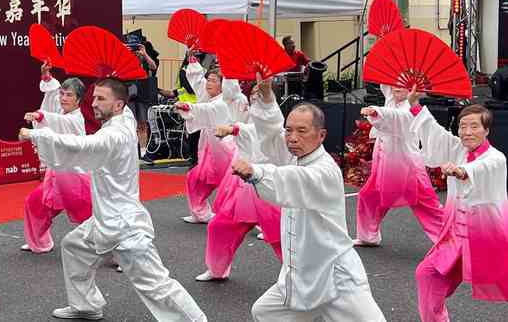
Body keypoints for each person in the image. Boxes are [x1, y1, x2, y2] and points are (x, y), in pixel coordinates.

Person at [18, 78, 206, 321]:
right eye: (94, 97)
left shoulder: (114, 134)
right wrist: (110, 75)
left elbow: (83, 145)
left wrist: (37, 136)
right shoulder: (124, 117)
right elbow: (114, 107)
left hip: (124, 226)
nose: (94, 103)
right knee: (74, 246)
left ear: (118, 105)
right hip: (105, 220)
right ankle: (85, 305)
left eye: (101, 99)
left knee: (156, 285)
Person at [231, 74, 385, 322]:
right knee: (265, 312)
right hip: (301, 278)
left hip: (336, 278)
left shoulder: (325, 170)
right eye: (289, 130)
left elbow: (294, 180)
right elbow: (272, 137)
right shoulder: (295, 155)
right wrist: (269, 97)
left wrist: (256, 172)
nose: (292, 137)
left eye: (302, 131)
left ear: (321, 135)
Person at [367, 90, 508, 322]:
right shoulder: (457, 148)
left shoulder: (496, 157)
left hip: (483, 237)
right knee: (427, 274)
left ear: (487, 130)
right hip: (455, 238)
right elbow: (434, 131)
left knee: (501, 279)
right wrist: (415, 105)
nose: (467, 132)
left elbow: (484, 168)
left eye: (474, 127)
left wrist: (462, 171)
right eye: (463, 126)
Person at [178, 78, 282, 282]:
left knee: (285, 238)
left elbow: (267, 127)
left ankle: (301, 277)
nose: (254, 99)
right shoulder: (239, 106)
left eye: (261, 95)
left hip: (268, 190)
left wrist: (234, 129)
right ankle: (217, 269)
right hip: (242, 184)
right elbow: (220, 108)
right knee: (219, 226)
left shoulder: (275, 124)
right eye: (254, 95)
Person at [354, 85, 444, 246]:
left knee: (428, 205)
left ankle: (451, 242)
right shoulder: (391, 98)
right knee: (370, 197)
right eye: (394, 83)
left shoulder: (411, 108)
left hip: (408, 164)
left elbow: (398, 117)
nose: (396, 87)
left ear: (412, 89)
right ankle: (368, 236)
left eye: (403, 85)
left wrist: (376, 111)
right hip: (384, 162)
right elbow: (384, 82)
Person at [19, 62, 92, 253]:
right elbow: (51, 98)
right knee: (35, 204)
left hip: (76, 178)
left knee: (94, 218)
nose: (63, 98)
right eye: (63, 94)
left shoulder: (76, 119)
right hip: (57, 176)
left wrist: (39, 117)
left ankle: (120, 252)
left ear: (79, 100)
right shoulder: (60, 110)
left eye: (69, 95)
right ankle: (39, 242)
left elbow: (57, 122)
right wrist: (46, 77)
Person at [177, 61, 227, 224]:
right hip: (210, 150)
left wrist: (188, 107)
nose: (209, 83)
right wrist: (192, 61)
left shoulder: (224, 102)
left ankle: (265, 224)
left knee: (243, 190)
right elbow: (199, 84)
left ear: (223, 85)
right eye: (209, 80)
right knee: (195, 179)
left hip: (227, 151)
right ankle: (200, 213)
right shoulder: (210, 98)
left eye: (214, 81)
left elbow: (205, 110)